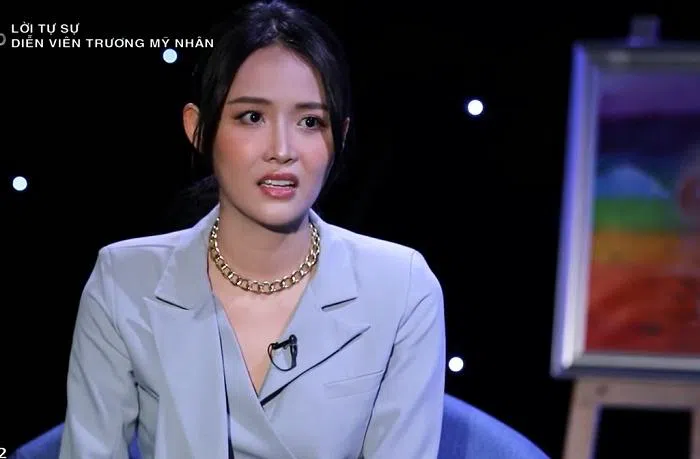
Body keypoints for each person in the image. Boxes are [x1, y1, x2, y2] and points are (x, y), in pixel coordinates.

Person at [58, 1, 446, 458]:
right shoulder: (123, 280)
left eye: (310, 122)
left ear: (339, 137)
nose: (282, 150)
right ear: (199, 128)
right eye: (252, 117)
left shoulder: (402, 287)